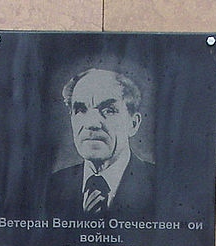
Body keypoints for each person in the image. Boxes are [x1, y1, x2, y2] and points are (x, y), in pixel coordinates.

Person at [48, 68, 155, 217]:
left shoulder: (162, 185)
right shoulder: (51, 187)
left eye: (109, 110)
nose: (92, 123)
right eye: (80, 110)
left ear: (133, 124)